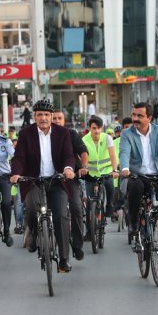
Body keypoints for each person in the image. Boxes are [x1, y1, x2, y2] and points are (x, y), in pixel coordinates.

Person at [10, 99, 76, 272]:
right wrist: (16, 173)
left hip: (56, 180)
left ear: (52, 116)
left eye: (47, 115)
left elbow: (69, 154)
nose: (44, 118)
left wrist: (68, 169)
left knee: (61, 216)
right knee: (31, 209)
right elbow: (19, 157)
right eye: (40, 115)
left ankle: (63, 259)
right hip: (33, 181)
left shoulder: (63, 133)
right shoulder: (26, 133)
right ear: (34, 116)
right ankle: (33, 232)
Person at [119, 102, 158, 263]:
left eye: (140, 116)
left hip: (157, 176)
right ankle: (133, 223)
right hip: (136, 175)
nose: (135, 119)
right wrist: (125, 168)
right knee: (136, 187)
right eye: (134, 115)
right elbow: (124, 152)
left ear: (149, 117)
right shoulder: (127, 134)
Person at [51, 109, 89, 261]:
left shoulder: (71, 134)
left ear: (64, 120)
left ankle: (78, 245)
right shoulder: (43, 136)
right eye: (54, 118)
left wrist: (84, 167)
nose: (57, 121)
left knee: (76, 207)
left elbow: (83, 151)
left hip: (70, 178)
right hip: (50, 180)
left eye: (59, 118)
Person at [82, 115, 118, 230]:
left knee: (110, 189)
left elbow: (112, 155)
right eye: (93, 128)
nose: (96, 131)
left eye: (98, 128)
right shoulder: (84, 139)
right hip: (91, 174)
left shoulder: (107, 138)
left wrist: (114, 170)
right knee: (89, 203)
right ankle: (89, 230)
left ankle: (109, 207)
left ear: (101, 128)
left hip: (106, 172)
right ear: (89, 128)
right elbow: (83, 156)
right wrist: (84, 168)